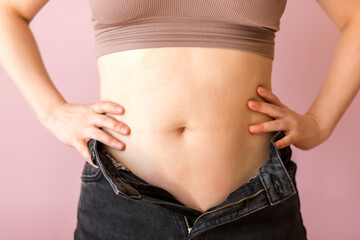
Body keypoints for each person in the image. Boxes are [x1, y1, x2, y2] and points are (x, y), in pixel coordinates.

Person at [1, 0, 359, 239]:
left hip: (255, 205)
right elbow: (8, 10)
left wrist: (319, 121)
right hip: (123, 205)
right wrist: (51, 112)